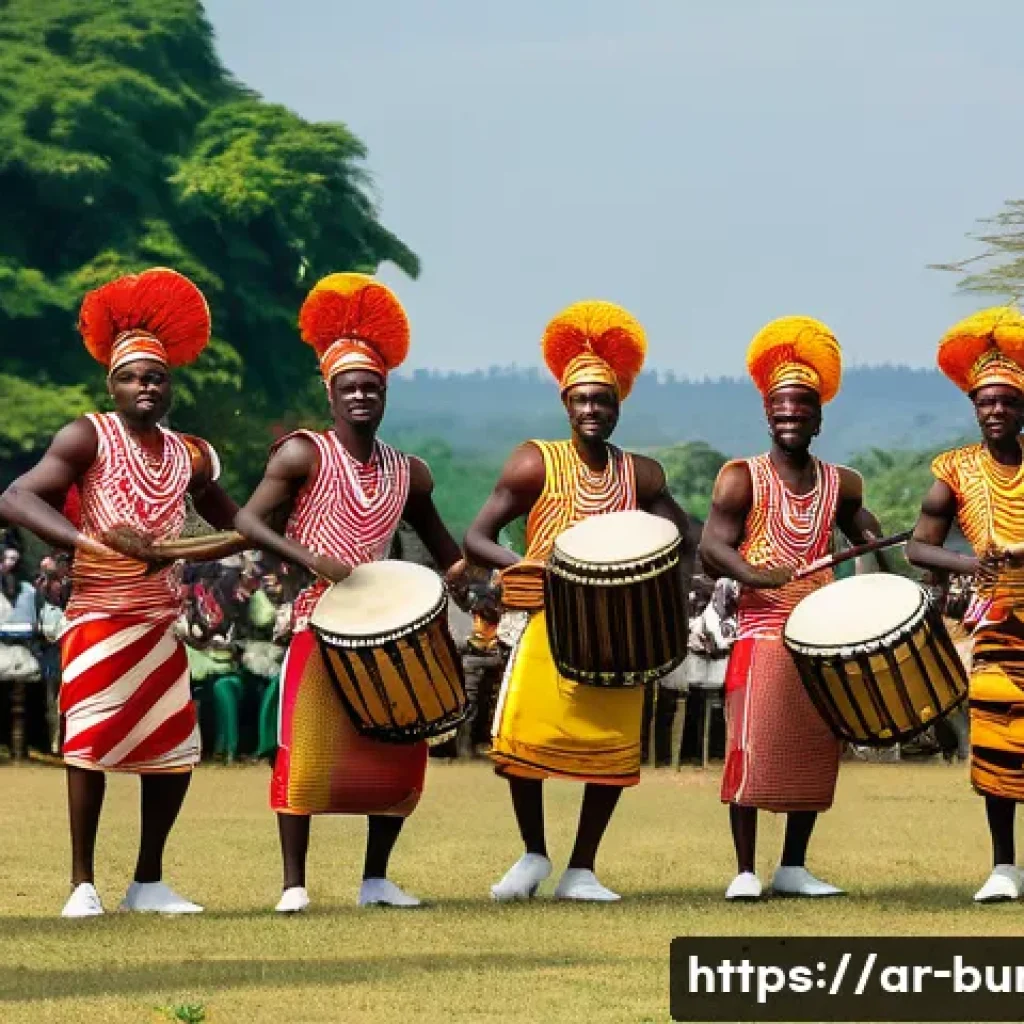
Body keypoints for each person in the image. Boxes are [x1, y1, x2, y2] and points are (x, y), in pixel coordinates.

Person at [0, 268, 242, 917]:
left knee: (171, 754)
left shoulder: (188, 454)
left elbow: (234, 524)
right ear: (111, 383)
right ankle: (83, 884)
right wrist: (93, 542)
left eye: (156, 377)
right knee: (90, 744)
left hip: (160, 623)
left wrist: (193, 548)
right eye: (132, 376)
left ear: (169, 387)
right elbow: (16, 496)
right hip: (98, 618)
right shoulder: (88, 435)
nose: (145, 386)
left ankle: (148, 882)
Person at [234, 272, 464, 914]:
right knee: (305, 751)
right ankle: (294, 884)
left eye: (372, 386)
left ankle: (376, 880)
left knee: (399, 752)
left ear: (385, 393)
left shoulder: (408, 471)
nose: (361, 395)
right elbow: (248, 521)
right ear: (330, 393)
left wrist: (467, 573)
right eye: (349, 387)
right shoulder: (301, 454)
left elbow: (445, 550)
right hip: (318, 618)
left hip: (392, 630)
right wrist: (312, 560)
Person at [465, 300, 693, 902]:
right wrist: (527, 568)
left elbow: (684, 536)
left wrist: (679, 592)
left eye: (604, 400)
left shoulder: (642, 475)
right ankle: (534, 854)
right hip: (547, 622)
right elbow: (477, 537)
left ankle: (582, 868)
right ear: (565, 405)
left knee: (611, 751)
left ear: (619, 407)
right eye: (582, 399)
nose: (592, 409)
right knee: (522, 745)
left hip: (620, 632)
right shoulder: (534, 462)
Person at [699, 316, 885, 901]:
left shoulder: (841, 483)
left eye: (802, 408)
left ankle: (794, 866)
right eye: (781, 408)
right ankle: (746, 870)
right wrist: (755, 573)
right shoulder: (739, 478)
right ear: (766, 414)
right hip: (760, 627)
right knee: (751, 745)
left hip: (818, 634)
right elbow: (710, 548)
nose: (791, 417)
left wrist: (870, 540)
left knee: (812, 750)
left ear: (819, 417)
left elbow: (864, 532)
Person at [906, 307, 1024, 902]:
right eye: (985, 401)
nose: (996, 410)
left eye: (1006, 400)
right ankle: (1004, 866)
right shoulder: (952, 471)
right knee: (999, 741)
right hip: (998, 624)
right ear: (974, 408)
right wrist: (972, 564)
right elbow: (918, 550)